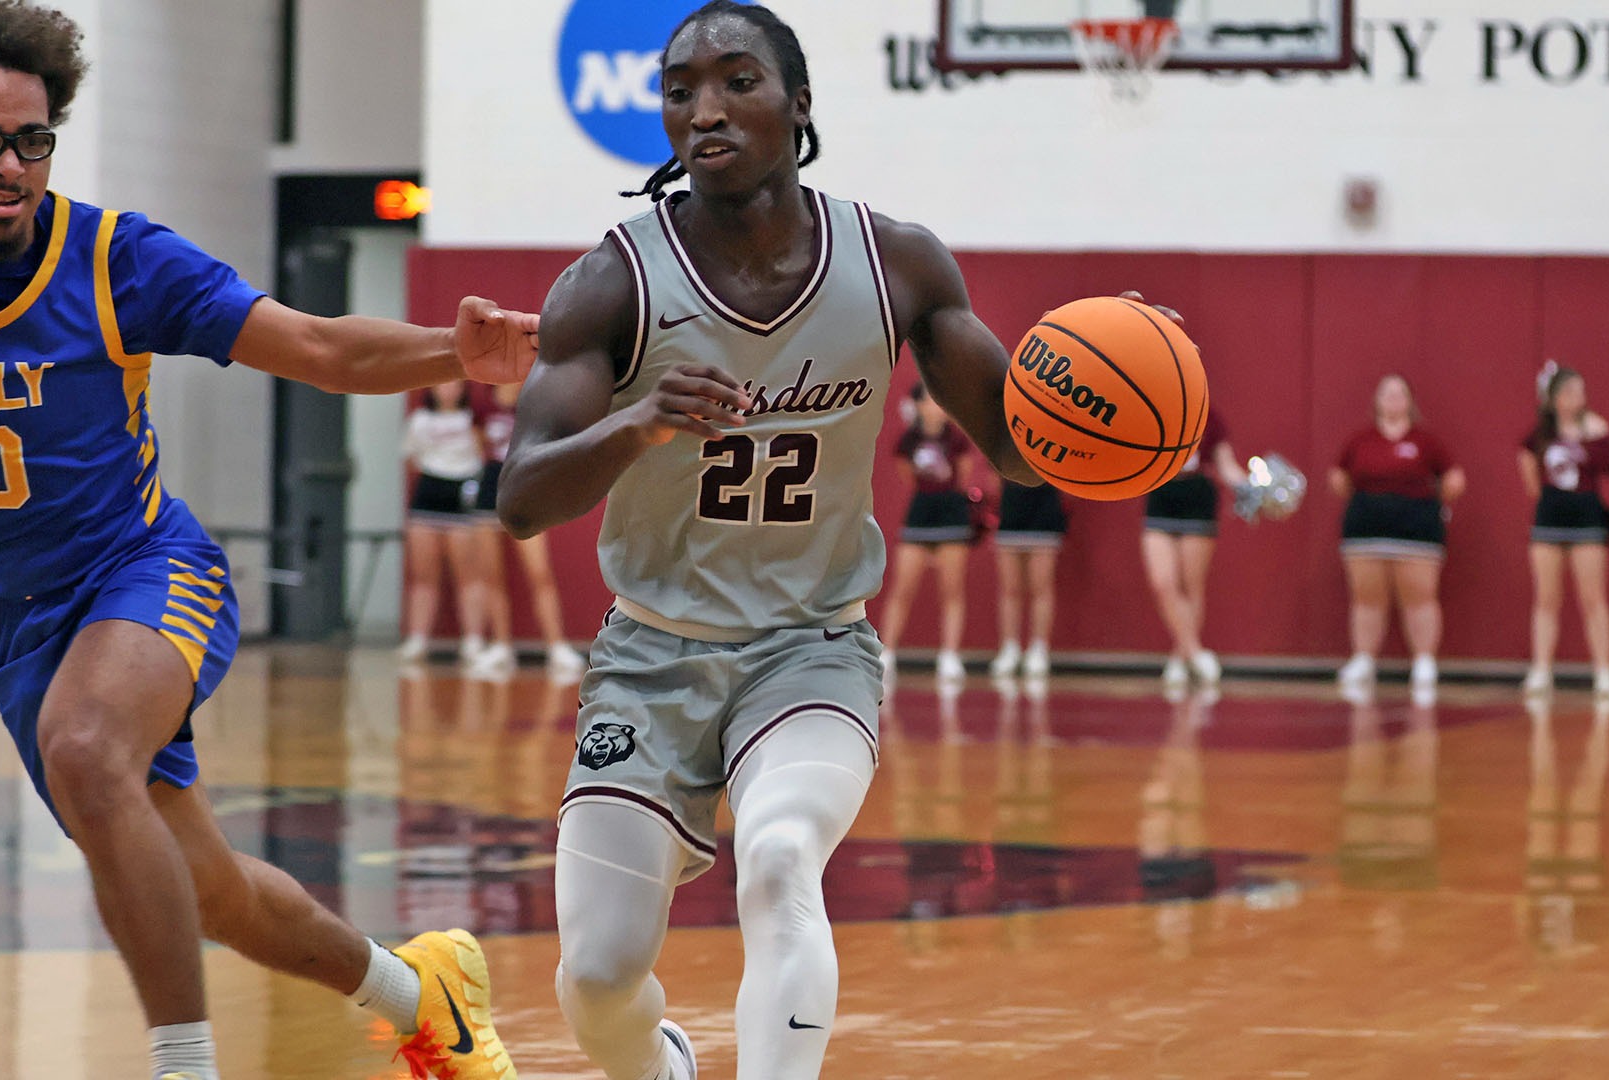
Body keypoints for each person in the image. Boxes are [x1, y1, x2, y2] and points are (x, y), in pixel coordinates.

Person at [0, 4, 532, 1078]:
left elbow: (318, 346)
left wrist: (453, 356)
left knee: (87, 749)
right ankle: (424, 997)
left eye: (33, 139)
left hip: (144, 571)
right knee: (212, 892)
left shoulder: (117, 256)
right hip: (10, 622)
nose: (11, 164)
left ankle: (184, 1067)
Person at [496, 5, 1173, 1076]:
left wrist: (1113, 406)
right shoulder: (613, 281)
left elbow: (1018, 450)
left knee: (778, 857)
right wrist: (637, 420)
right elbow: (520, 498)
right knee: (595, 977)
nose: (704, 108)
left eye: (736, 81)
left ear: (799, 105)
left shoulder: (896, 264)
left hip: (810, 650)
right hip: (651, 654)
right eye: (680, 90)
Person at [1329, 375, 1464, 702]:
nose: (1392, 399)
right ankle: (1363, 660)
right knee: (1366, 597)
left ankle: (1424, 662)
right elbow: (1338, 477)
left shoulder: (1426, 442)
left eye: (1399, 393)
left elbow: (1454, 479)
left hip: (1416, 529)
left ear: (1409, 401)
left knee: (1419, 597)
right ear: (1376, 401)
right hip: (1366, 529)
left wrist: (1431, 506)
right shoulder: (1360, 440)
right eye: (1386, 393)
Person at [1518, 365, 1609, 697]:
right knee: (1546, 599)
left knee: (1593, 598)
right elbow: (1528, 468)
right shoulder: (1541, 434)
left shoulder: (1596, 430)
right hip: (1548, 522)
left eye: (1581, 391)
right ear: (1554, 398)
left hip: (1588, 522)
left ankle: (1603, 672)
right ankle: (1541, 670)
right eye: (1570, 392)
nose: (1578, 398)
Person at [469, 380, 588, 679]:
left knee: (540, 574)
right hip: (489, 488)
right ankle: (501, 647)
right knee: (491, 575)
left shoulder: (534, 403)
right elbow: (478, 445)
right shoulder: (483, 404)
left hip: (524, 489)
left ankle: (556, 647)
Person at [398, 380, 505, 676]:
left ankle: (473, 641)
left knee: (469, 575)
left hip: (464, 492)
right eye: (440, 383)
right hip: (428, 494)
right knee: (423, 575)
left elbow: (487, 453)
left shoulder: (473, 418)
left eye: (453, 383)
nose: (447, 389)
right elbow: (411, 459)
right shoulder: (419, 420)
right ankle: (417, 640)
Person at [1140, 413, 1246, 690]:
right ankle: (1195, 651)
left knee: (1191, 585)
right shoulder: (1151, 409)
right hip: (1160, 493)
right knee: (1162, 583)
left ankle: (1180, 656)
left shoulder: (1211, 419)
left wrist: (1251, 488)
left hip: (1197, 497)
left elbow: (1227, 466)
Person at [877, 383, 975, 682]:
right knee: (901, 588)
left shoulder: (956, 438)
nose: (937, 407)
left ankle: (949, 656)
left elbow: (964, 474)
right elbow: (907, 474)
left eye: (941, 401)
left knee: (952, 590)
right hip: (920, 515)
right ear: (918, 406)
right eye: (931, 401)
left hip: (952, 517)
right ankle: (887, 654)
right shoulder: (908, 440)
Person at [988, 478, 1067, 679]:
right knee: (1009, 588)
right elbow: (993, 478)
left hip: (1044, 511)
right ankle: (1009, 648)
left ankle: (1039, 648)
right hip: (1010, 510)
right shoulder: (1006, 446)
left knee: (1041, 587)